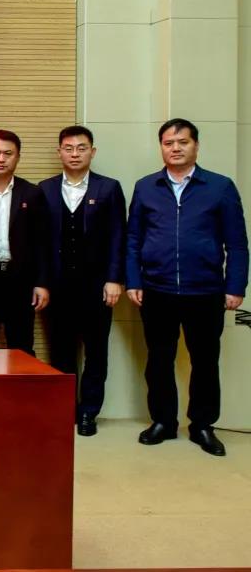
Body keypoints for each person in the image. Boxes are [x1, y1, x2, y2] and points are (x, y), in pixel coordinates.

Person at [126, 118, 248, 456]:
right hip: (157, 290)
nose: (175, 148)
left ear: (196, 145)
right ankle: (163, 421)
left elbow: (237, 243)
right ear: (161, 147)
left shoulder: (220, 187)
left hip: (205, 291)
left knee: (205, 361)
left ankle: (202, 425)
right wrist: (133, 279)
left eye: (183, 142)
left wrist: (235, 286)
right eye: (168, 143)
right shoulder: (146, 187)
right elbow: (133, 238)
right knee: (159, 360)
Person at [39, 125, 126, 437]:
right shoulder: (45, 189)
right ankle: (65, 410)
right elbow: (39, 243)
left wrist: (115, 278)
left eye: (81, 148)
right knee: (61, 351)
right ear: (59, 152)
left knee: (96, 352)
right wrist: (42, 282)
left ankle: (89, 411)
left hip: (97, 286)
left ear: (93, 151)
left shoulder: (109, 188)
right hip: (58, 286)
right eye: (68, 148)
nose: (75, 154)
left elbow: (119, 236)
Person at [0, 129, 51, 354]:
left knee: (22, 347)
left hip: (20, 280)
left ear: (18, 157)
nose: (1, 159)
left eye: (8, 154)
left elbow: (42, 242)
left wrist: (42, 283)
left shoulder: (32, 193)